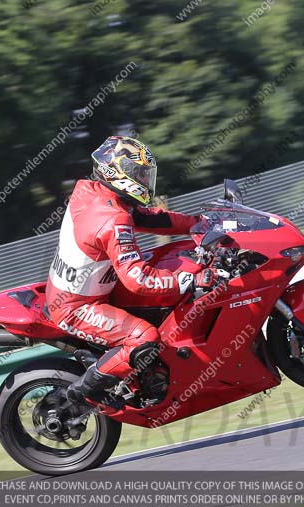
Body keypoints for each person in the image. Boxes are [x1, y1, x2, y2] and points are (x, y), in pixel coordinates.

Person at [45, 136, 220, 408]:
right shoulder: (111, 219)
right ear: (117, 172)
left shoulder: (92, 191)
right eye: (138, 174)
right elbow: (138, 279)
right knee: (145, 338)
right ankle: (81, 393)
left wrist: (197, 224)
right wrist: (189, 279)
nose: (144, 180)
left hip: (93, 287)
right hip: (76, 307)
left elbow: (146, 216)